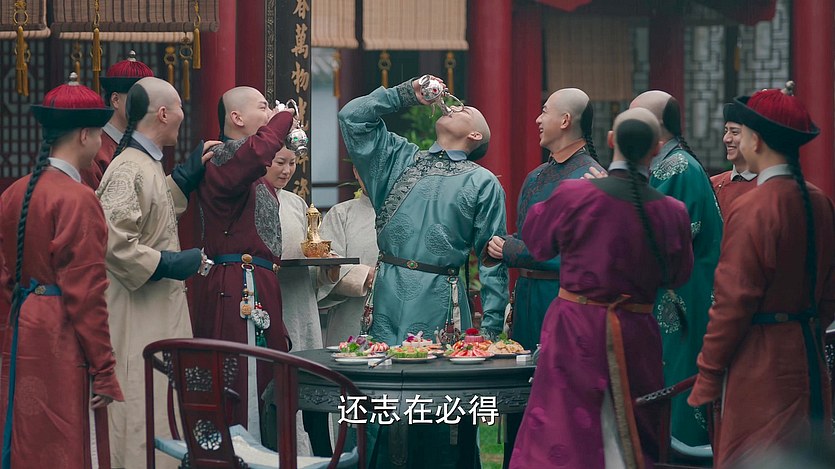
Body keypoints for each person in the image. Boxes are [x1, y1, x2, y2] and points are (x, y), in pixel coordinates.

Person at [338, 76, 509, 467]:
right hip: (386, 296)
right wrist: (405, 94)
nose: (454, 105)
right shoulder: (399, 158)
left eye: (465, 109)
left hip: (441, 301)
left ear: (475, 136)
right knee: (374, 397)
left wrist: (490, 333)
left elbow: (492, 260)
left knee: (437, 405)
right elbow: (352, 117)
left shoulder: (482, 183)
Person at [510, 108, 693, 468]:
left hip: (575, 327)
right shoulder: (671, 211)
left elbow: (536, 241)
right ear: (657, 148)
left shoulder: (575, 194)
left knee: (563, 429)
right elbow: (678, 275)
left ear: (611, 141)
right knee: (634, 430)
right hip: (635, 331)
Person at [688, 83, 835, 467]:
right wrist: (807, 327)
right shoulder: (819, 200)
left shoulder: (755, 207)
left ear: (756, 140)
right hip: (807, 352)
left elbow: (733, 302)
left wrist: (708, 374)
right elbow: (829, 293)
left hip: (759, 364)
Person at [0, 73, 123, 468]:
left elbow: (4, 279)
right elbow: (87, 293)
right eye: (99, 135)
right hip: (62, 331)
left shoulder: (14, 192)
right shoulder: (79, 199)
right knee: (66, 439)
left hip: (22, 328)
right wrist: (104, 370)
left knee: (25, 437)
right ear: (85, 135)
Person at [97, 76, 215, 469]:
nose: (183, 114)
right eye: (179, 107)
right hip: (137, 316)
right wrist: (169, 263)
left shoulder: (144, 164)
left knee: (160, 404)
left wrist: (183, 178)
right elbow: (114, 243)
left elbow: (153, 212)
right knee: (140, 406)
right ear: (163, 113)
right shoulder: (127, 167)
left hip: (155, 311)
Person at [484, 88, 603, 466]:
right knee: (522, 397)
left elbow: (578, 253)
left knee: (562, 401)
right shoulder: (537, 176)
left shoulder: (591, 177)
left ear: (565, 120)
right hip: (528, 300)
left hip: (564, 301)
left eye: (545, 111)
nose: (537, 119)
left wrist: (512, 250)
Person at [192, 86, 295, 437]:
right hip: (239, 284)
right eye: (263, 107)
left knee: (267, 379)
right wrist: (285, 116)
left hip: (257, 282)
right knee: (245, 381)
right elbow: (261, 149)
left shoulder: (244, 164)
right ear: (236, 117)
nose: (269, 114)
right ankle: (243, 453)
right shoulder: (223, 156)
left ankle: (266, 452)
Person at [629, 90, 723, 448]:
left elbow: (659, 239)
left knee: (675, 379)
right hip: (671, 292)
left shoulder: (677, 166)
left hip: (679, 297)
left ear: (655, 125)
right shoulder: (664, 163)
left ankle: (680, 452)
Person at [318, 166, 379, 347]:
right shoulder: (341, 214)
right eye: (366, 167)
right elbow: (324, 263)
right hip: (350, 316)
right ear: (356, 171)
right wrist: (363, 276)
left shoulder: (410, 213)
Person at [80, 50, 154, 189]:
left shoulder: (145, 144)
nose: (146, 104)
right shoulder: (95, 147)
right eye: (138, 98)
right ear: (115, 100)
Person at [710, 103, 757, 212]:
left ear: (754, 138)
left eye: (734, 132)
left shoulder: (768, 187)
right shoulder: (713, 184)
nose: (726, 139)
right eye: (726, 131)